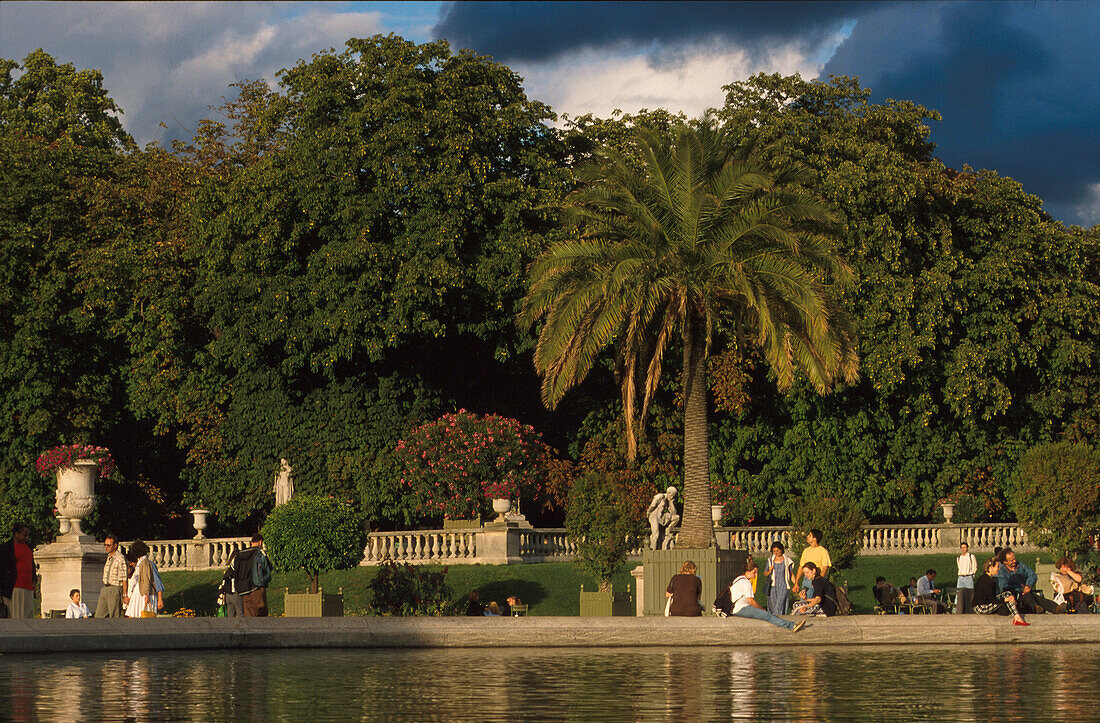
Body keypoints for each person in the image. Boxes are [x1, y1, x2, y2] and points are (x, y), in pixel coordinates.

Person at [725, 558, 806, 632]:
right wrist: (762, 609)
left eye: (756, 572)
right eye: (754, 572)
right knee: (767, 615)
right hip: (741, 608)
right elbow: (751, 601)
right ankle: (792, 626)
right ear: (747, 572)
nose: (756, 575)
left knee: (766, 615)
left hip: (735, 608)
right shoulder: (746, 582)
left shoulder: (738, 579)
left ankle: (791, 625)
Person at [998, 548, 1061, 614]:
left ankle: (1056, 608)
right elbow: (1004, 587)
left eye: (1014, 558)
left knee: (1036, 597)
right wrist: (1020, 590)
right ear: (1005, 561)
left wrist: (1028, 585)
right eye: (1011, 560)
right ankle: (1036, 608)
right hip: (1016, 596)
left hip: (1026, 592)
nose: (1014, 561)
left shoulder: (1020, 565)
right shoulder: (1002, 572)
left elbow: (1032, 575)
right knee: (1027, 597)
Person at [221, 535, 270, 617]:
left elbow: (232, 571)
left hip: (244, 591)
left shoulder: (241, 554)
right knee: (261, 616)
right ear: (260, 542)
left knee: (248, 618)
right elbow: (268, 568)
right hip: (256, 588)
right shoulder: (260, 553)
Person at [973, 557, 1028, 625]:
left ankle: (1017, 617)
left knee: (1007, 594)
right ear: (991, 567)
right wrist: (1006, 599)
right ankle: (1017, 617)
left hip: (982, 605)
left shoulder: (985, 578)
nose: (998, 569)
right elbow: (992, 599)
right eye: (997, 567)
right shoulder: (987, 581)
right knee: (1007, 595)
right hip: (981, 607)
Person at [0, 523, 36, 619]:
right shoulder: (6, 548)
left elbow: (31, 564)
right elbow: (2, 567)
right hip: (14, 585)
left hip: (28, 585)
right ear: (16, 534)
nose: (26, 538)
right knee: (17, 615)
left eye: (28, 535)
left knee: (28, 614)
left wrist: (34, 580)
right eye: (24, 535)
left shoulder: (28, 547)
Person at [96, 534, 127, 618]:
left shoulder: (120, 558)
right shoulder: (109, 557)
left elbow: (124, 578)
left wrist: (125, 595)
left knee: (114, 616)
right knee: (99, 615)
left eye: (108, 545)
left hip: (115, 589)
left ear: (115, 545)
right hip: (105, 588)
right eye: (105, 545)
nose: (106, 547)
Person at [124, 541, 157, 618]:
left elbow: (146, 579)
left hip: (143, 593)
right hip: (139, 591)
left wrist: (146, 594)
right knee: (134, 615)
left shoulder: (144, 562)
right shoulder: (141, 562)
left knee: (140, 615)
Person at [793, 529, 831, 594]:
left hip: (818, 579)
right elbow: (801, 567)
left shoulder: (823, 551)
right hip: (806, 580)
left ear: (815, 539)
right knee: (804, 601)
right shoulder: (806, 551)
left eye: (810, 535)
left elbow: (825, 568)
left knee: (816, 601)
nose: (807, 536)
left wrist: (818, 581)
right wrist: (796, 583)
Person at [764, 541, 795, 616]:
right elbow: (765, 573)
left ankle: (778, 620)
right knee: (773, 605)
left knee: (780, 605)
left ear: (781, 550)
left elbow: (791, 574)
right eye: (774, 551)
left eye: (777, 550)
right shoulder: (770, 560)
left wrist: (796, 584)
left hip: (783, 585)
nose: (776, 552)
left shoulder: (787, 561)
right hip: (773, 586)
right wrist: (770, 571)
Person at [956, 542, 977, 614]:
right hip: (961, 578)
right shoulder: (959, 558)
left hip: (968, 577)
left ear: (967, 548)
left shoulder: (971, 556)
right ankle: (959, 610)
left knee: (969, 596)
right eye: (962, 548)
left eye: (964, 547)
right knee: (959, 595)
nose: (963, 549)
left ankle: (969, 610)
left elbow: (974, 567)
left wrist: (972, 574)